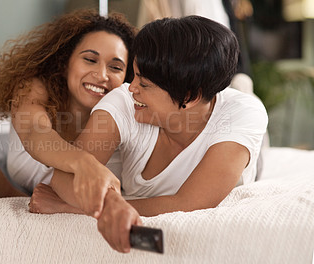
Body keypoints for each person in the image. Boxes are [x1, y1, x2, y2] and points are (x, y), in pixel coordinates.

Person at [29, 15, 268, 253]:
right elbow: (63, 176)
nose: (131, 87)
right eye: (134, 76)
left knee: (248, 109)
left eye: (144, 84)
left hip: (242, 153)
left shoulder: (242, 114)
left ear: (189, 96)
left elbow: (188, 204)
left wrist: (74, 208)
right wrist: (110, 203)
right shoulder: (123, 101)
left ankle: (240, 86)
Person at [0, 9, 136, 200]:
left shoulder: (128, 118)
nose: (102, 75)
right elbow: (35, 131)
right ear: (65, 63)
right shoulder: (35, 88)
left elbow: (50, 206)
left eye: (115, 67)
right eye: (90, 59)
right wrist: (84, 163)